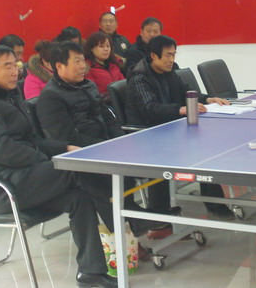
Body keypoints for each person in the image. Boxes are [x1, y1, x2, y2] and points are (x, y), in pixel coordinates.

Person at [0, 44, 117, 288]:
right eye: (7, 67)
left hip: (25, 176)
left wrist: (64, 148)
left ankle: (91, 272)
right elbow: (2, 150)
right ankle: (125, 231)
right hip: (1, 187)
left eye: (15, 65)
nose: (15, 71)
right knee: (79, 169)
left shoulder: (8, 94)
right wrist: (48, 160)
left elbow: (31, 140)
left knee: (79, 197)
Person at [36, 41, 166, 236]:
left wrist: (120, 142)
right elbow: (67, 137)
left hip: (103, 146)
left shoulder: (87, 85)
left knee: (152, 158)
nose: (83, 66)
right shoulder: (50, 98)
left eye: (83, 60)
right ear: (60, 66)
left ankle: (142, 219)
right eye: (76, 61)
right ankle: (128, 230)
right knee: (101, 179)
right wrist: (105, 148)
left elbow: (108, 118)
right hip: (78, 156)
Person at [125, 35, 233, 219]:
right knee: (175, 153)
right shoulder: (139, 78)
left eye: (173, 54)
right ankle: (160, 213)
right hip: (149, 135)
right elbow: (150, 110)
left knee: (205, 147)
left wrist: (207, 99)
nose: (171, 59)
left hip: (172, 127)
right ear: (154, 56)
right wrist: (180, 109)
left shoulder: (170, 71)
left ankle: (215, 204)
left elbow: (186, 92)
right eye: (168, 55)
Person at [84, 32, 124, 104]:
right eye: (101, 46)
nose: (106, 49)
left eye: (108, 46)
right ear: (91, 48)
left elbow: (123, 84)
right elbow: (92, 93)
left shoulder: (114, 64)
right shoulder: (87, 68)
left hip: (121, 100)